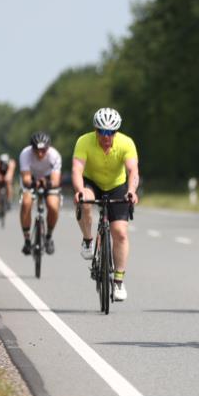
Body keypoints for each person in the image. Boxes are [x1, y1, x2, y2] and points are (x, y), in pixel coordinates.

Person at [72, 107, 139, 302]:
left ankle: (118, 281)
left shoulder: (126, 143)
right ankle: (87, 240)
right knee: (85, 202)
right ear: (95, 130)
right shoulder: (84, 141)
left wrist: (132, 191)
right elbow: (77, 169)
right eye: (102, 131)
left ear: (116, 132)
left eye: (111, 132)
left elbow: (133, 170)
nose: (106, 136)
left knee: (120, 232)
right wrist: (79, 190)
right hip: (92, 183)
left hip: (117, 186)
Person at [19, 131, 63, 256]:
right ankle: (27, 239)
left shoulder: (54, 155)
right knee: (26, 203)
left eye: (43, 150)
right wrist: (34, 183)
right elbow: (26, 178)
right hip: (31, 179)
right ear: (31, 148)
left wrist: (46, 183)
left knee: (53, 206)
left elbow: (55, 180)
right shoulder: (25, 154)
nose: (40, 153)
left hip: (49, 179)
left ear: (48, 148)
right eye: (36, 150)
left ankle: (48, 236)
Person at [0, 152, 16, 218]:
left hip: (7, 177)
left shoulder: (11, 163)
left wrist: (7, 177)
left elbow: (10, 172)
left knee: (9, 184)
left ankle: (8, 201)